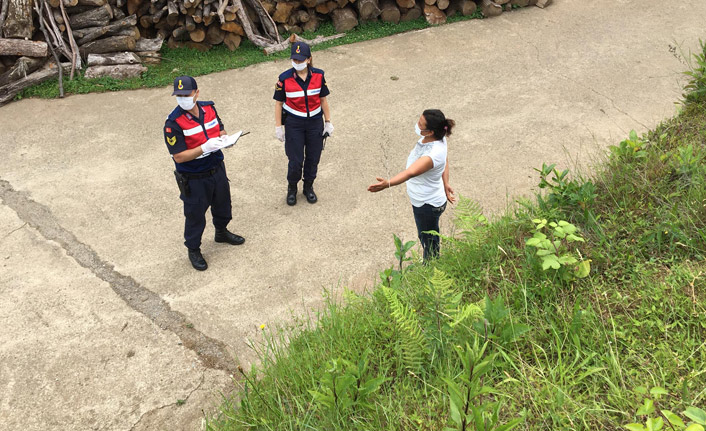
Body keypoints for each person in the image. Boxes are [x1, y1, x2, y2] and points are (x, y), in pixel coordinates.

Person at [163, 75, 245, 271]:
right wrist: (204, 148)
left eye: (186, 94)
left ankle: (221, 232)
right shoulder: (173, 123)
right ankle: (193, 249)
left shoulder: (209, 108)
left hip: (216, 168)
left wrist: (225, 140)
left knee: (223, 204)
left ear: (196, 93)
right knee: (195, 215)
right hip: (194, 177)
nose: (182, 98)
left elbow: (220, 130)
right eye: (179, 95)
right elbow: (179, 157)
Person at [368, 109, 456, 262]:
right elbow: (445, 160)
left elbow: (409, 173)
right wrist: (445, 183)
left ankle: (431, 267)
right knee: (429, 235)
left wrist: (387, 183)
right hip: (433, 198)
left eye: (420, 124)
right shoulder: (439, 138)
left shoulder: (431, 155)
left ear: (430, 132)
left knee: (428, 239)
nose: (417, 125)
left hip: (426, 205)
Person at [273, 41, 334, 206]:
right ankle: (292, 188)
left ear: (309, 59)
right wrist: (279, 127)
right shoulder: (284, 79)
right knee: (295, 160)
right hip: (294, 123)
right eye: (295, 60)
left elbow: (323, 100)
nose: (297, 63)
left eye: (301, 60)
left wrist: (328, 122)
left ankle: (308, 187)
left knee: (313, 157)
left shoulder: (319, 76)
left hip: (315, 122)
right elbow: (278, 104)